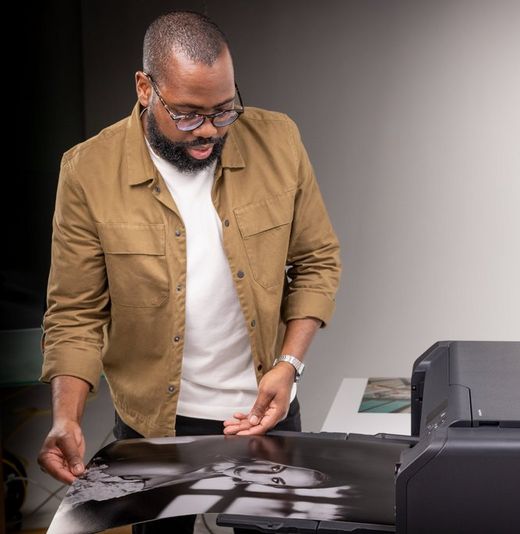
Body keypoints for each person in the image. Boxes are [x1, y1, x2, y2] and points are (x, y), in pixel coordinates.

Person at [37, 7, 340, 508]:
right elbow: (75, 313)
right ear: (144, 87)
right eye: (187, 114)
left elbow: (317, 261)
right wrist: (66, 418)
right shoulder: (88, 170)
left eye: (224, 110)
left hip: (269, 411)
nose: (209, 131)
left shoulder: (279, 140)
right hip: (152, 428)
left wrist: (289, 365)